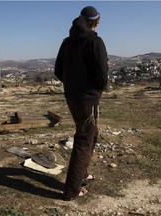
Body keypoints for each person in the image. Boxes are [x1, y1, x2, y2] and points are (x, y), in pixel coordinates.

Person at [54, 6, 109, 200]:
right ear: (96, 22)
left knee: (91, 135)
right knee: (84, 140)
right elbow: (102, 74)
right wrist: (95, 89)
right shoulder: (95, 41)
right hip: (88, 99)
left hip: (72, 98)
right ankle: (72, 189)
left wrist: (73, 85)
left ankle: (82, 173)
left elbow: (58, 71)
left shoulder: (67, 42)